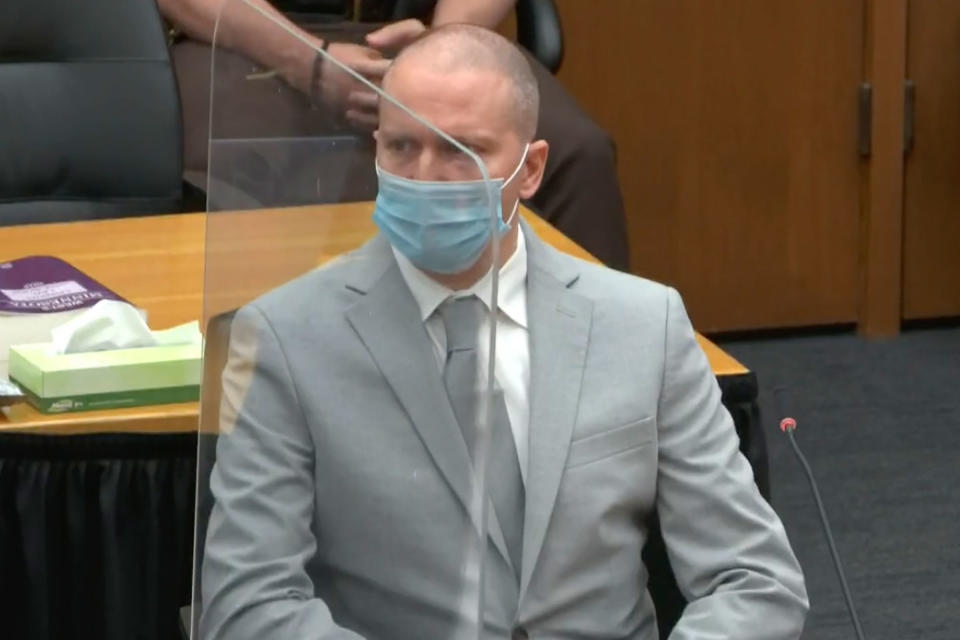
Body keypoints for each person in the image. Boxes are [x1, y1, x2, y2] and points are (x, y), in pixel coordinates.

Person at [200, 24, 808, 640]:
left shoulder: (644, 325)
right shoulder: (284, 336)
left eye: (459, 150)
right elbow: (249, 603)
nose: (426, 176)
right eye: (402, 148)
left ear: (530, 169)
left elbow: (754, 579)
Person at [158, 0, 630, 269]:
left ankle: (595, 390)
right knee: (224, 170)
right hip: (249, 40)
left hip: (429, 31)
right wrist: (311, 63)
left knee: (577, 155)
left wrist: (440, 48)